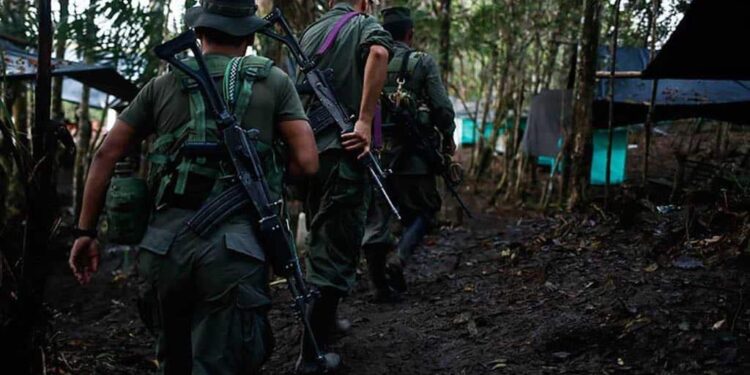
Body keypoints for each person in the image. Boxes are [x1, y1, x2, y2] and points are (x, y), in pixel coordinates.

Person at [68, 1, 319, 374]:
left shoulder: (163, 84)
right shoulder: (274, 82)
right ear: (250, 35)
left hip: (163, 248)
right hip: (236, 253)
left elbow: (106, 153)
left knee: (174, 359)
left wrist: (86, 232)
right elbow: (308, 163)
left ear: (199, 32)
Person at [295, 0, 392, 373]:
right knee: (336, 250)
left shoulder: (311, 32)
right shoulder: (363, 25)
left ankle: (328, 322)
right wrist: (365, 119)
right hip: (344, 153)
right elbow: (380, 53)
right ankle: (311, 356)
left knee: (324, 238)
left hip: (311, 155)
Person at [362, 6, 456, 293]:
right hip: (415, 157)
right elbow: (441, 108)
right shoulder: (421, 62)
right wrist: (448, 138)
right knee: (425, 211)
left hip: (376, 156)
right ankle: (399, 259)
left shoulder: (369, 61)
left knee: (379, 219)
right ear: (410, 33)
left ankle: (380, 285)